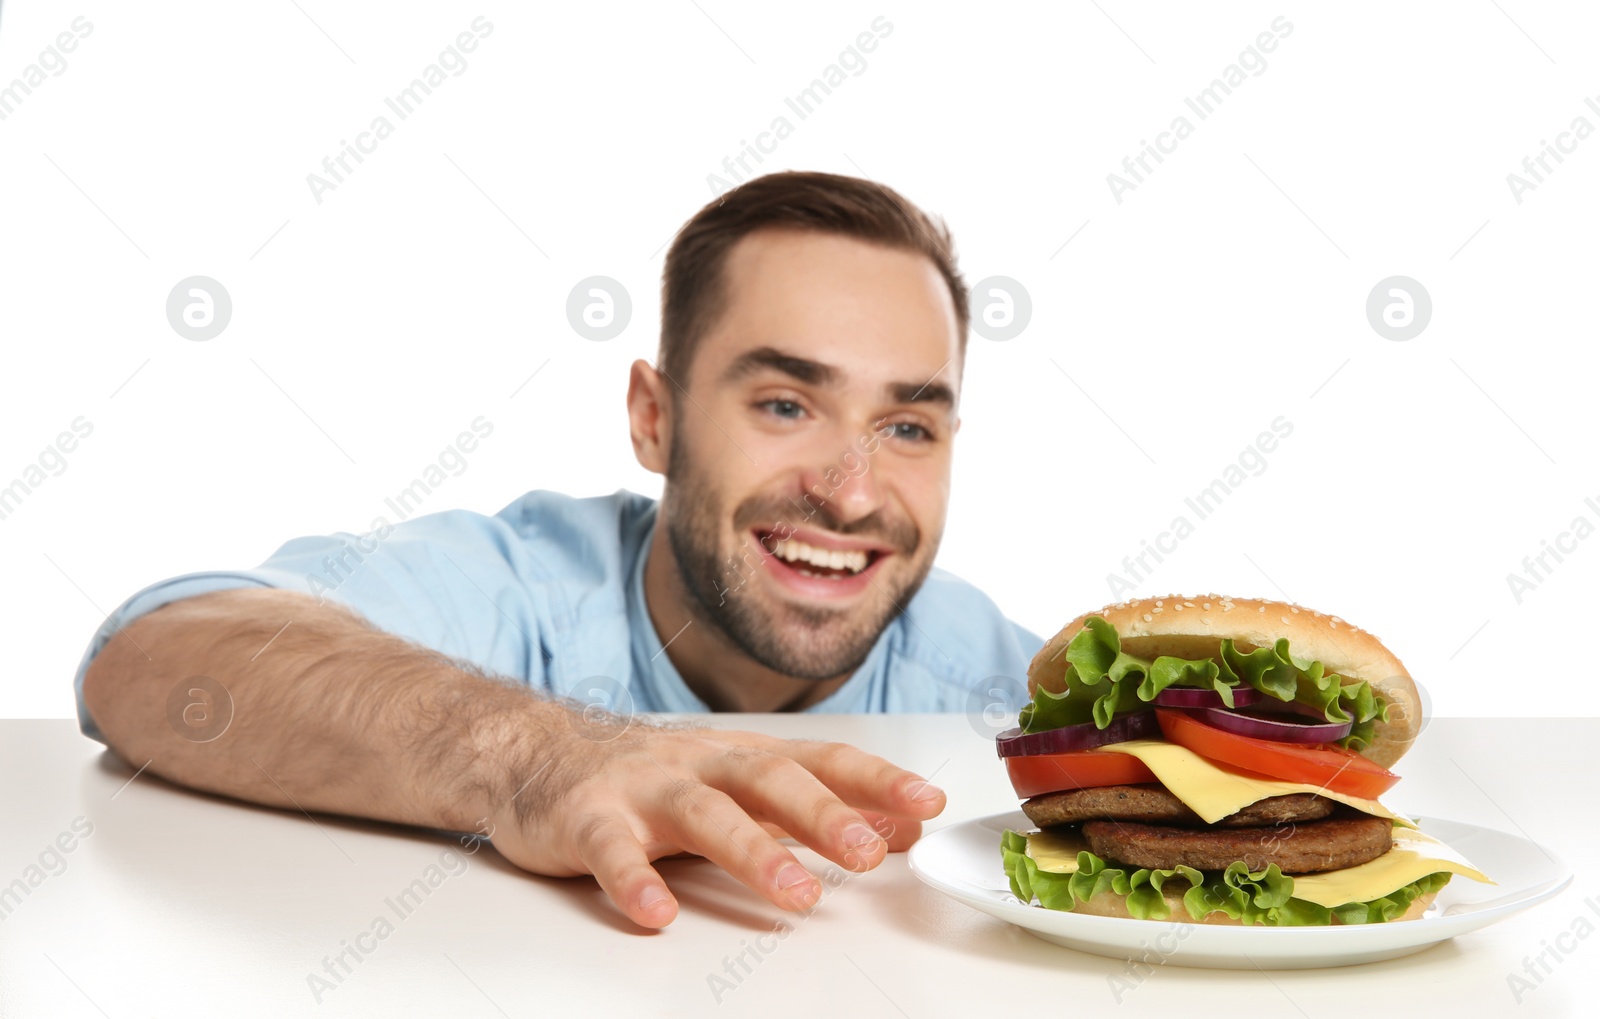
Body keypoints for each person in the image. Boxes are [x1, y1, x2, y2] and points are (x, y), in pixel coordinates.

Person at [76, 171, 1040, 928]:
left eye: (910, 426)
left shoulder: (997, 679)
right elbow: (152, 655)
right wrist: (536, 755)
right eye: (785, 404)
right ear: (654, 419)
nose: (853, 490)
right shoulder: (520, 586)